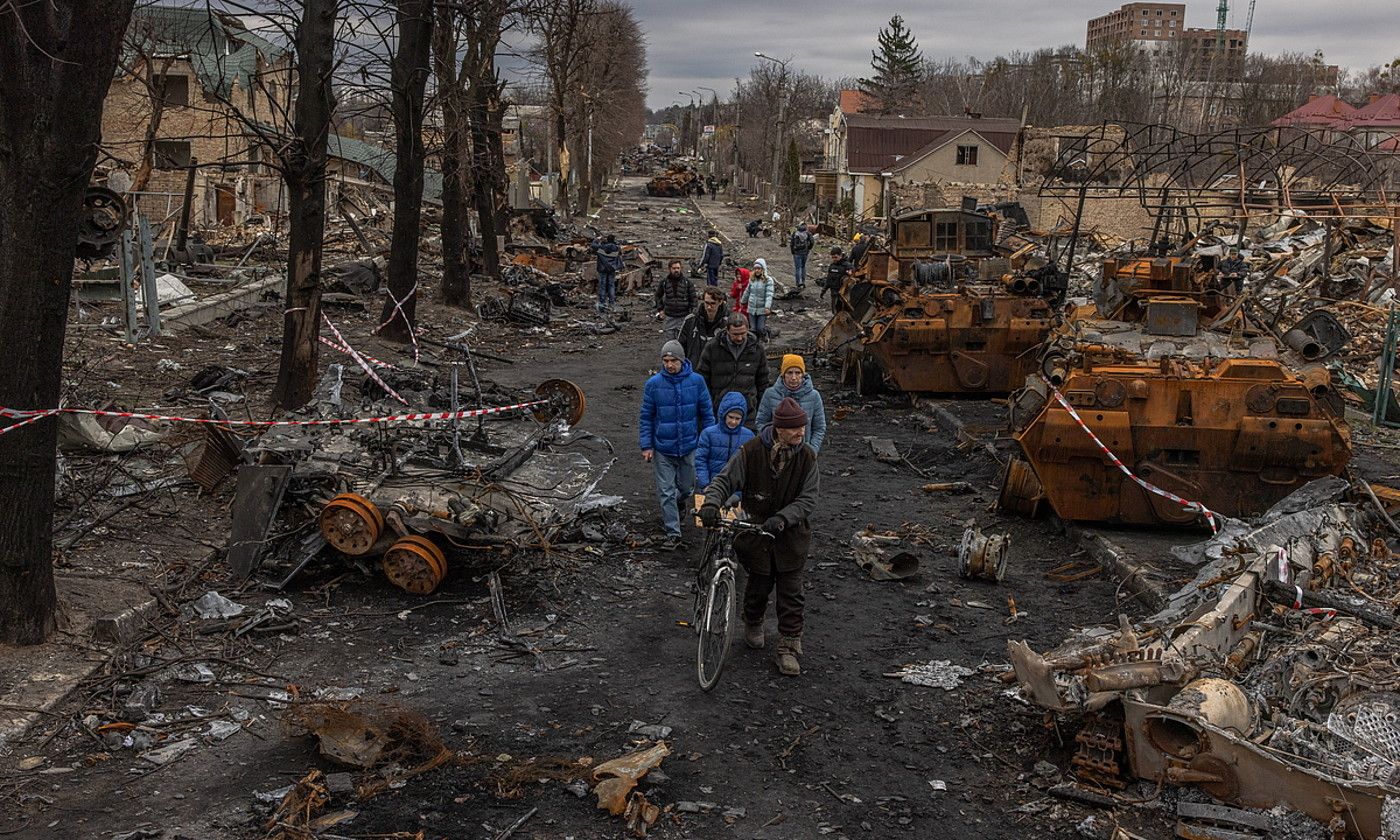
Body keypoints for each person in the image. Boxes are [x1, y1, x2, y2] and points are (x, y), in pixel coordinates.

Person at [699, 397, 819, 676]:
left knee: (791, 594)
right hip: (756, 534)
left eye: (803, 427)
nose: (801, 432)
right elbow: (724, 480)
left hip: (791, 537)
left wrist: (783, 518)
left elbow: (808, 499)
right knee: (758, 585)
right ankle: (753, 622)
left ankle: (788, 648)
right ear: (779, 428)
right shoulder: (751, 451)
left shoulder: (807, 457)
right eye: (795, 428)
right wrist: (710, 503)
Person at [640, 340, 715, 550]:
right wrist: (647, 445)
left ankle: (679, 502)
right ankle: (673, 533)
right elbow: (646, 417)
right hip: (663, 447)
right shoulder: (653, 385)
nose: (669, 365)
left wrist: (708, 440)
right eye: (665, 360)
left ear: (682, 360)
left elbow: (707, 414)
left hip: (690, 445)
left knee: (686, 488)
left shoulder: (697, 382)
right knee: (665, 491)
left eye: (673, 360)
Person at [697, 313, 770, 413]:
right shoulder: (712, 347)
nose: (739, 338)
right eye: (735, 334)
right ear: (727, 331)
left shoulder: (757, 349)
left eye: (743, 333)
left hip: (748, 412)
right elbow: (702, 378)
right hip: (718, 410)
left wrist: (761, 409)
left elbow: (763, 381)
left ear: (748, 329)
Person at [756, 353, 828, 452]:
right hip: (775, 451)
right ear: (783, 374)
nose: (794, 377)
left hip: (803, 452)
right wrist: (770, 444)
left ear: (803, 374)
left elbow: (819, 427)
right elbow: (761, 423)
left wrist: (812, 450)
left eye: (798, 373)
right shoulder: (770, 394)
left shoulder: (814, 396)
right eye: (789, 372)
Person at [695, 390, 755, 492]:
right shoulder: (708, 434)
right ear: (723, 414)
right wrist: (705, 484)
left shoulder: (749, 436)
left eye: (738, 418)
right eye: (731, 417)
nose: (733, 422)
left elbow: (751, 466)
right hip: (711, 487)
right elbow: (700, 460)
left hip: (737, 489)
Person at [678, 287, 729, 365]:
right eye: (707, 303)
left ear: (720, 302)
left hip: (717, 370)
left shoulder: (728, 324)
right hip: (694, 368)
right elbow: (680, 346)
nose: (709, 307)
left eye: (713, 303)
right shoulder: (690, 320)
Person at [654, 259, 697, 341]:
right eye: (674, 268)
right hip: (669, 317)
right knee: (669, 341)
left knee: (682, 341)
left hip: (683, 317)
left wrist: (692, 314)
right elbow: (658, 296)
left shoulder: (687, 283)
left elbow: (693, 299)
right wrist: (660, 309)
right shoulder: (664, 283)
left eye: (678, 268)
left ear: (681, 268)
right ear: (670, 269)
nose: (676, 270)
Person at [741, 258, 775, 338]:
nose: (757, 270)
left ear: (763, 269)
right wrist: (743, 300)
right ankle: (755, 343)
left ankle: (766, 334)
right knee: (753, 329)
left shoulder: (768, 280)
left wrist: (767, 307)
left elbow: (769, 294)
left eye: (759, 269)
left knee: (760, 328)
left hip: (762, 309)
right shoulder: (752, 279)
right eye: (755, 269)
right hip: (751, 308)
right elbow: (747, 291)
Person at [592, 233, 624, 313]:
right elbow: (619, 250)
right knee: (611, 285)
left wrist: (597, 240)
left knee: (602, 285)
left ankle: (602, 302)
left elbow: (593, 246)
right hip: (612, 269)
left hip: (603, 269)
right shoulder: (616, 248)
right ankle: (612, 302)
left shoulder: (601, 248)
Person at [822, 246, 853, 314]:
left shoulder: (847, 266)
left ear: (841, 255)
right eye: (832, 257)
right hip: (834, 293)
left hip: (843, 294)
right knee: (834, 311)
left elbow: (853, 279)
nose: (834, 259)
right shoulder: (832, 266)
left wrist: (850, 274)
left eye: (836, 257)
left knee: (844, 311)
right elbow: (828, 279)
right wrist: (824, 290)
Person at [789, 222, 814, 292]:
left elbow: (791, 243)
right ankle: (803, 282)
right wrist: (809, 249)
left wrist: (793, 251)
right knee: (803, 267)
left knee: (798, 268)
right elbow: (812, 241)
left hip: (797, 253)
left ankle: (798, 283)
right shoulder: (808, 233)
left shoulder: (795, 233)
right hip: (805, 253)